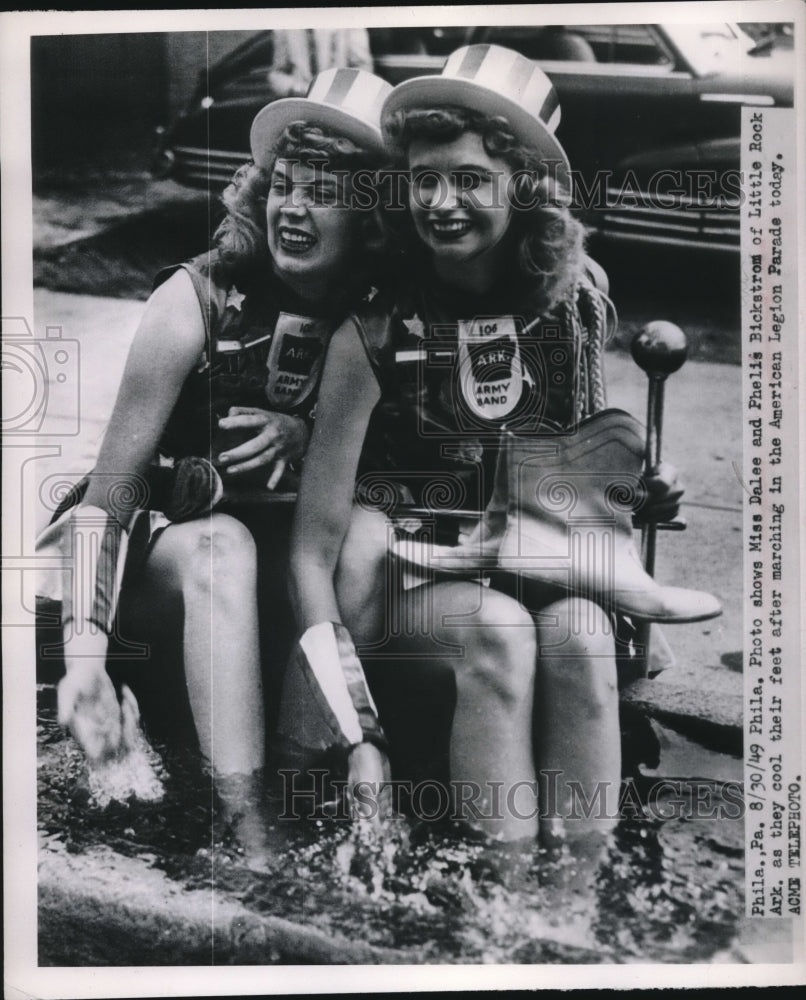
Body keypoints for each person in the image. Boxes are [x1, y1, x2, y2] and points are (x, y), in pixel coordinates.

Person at [288, 45, 712, 846]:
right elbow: (313, 552)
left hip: (533, 562)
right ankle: (507, 902)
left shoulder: (574, 302)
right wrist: (354, 725)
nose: (441, 203)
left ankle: (575, 907)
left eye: (471, 179)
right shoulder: (376, 328)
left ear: (522, 187)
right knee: (500, 630)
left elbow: (582, 486)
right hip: (399, 583)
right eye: (424, 178)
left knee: (584, 638)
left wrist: (642, 490)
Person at [47, 67, 393, 862]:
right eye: (285, 185)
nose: (294, 209)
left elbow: (412, 474)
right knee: (220, 546)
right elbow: (108, 501)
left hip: (286, 587)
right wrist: (85, 662)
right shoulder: (194, 299)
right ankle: (243, 829)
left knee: (371, 534)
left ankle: (319, 761)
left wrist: (312, 437)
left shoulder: (378, 316)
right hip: (166, 570)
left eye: (327, 192)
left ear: (374, 217)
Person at [268, 28, 373, 99]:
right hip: (301, 103)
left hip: (339, 102)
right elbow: (277, 73)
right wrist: (295, 88)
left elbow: (364, 68)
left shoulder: (348, 20)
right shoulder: (284, 27)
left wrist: (338, 91)